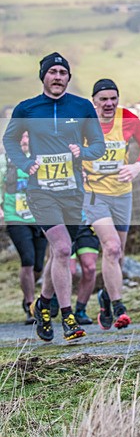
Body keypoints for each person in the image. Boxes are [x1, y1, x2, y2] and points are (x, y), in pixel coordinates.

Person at [2, 52, 106, 341]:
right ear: (44, 76)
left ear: (68, 77)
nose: (58, 76)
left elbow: (98, 144)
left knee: (58, 255)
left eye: (63, 72)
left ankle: (42, 305)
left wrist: (83, 153)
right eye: (53, 72)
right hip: (41, 191)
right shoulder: (27, 109)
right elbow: (9, 140)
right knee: (61, 250)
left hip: (72, 193)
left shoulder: (82, 107)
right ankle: (68, 317)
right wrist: (24, 164)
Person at [83, 78, 140, 330]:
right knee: (111, 248)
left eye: (113, 98)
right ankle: (119, 306)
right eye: (103, 99)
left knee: (118, 254)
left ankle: (105, 295)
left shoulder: (128, 119)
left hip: (122, 193)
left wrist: (137, 166)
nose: (109, 103)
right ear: (94, 101)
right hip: (93, 193)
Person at [0, 132, 48, 324]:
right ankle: (30, 305)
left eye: (28, 136)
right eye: (21, 137)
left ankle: (27, 296)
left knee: (38, 265)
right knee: (27, 260)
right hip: (15, 217)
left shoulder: (42, 156)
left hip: (41, 216)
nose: (25, 140)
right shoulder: (5, 160)